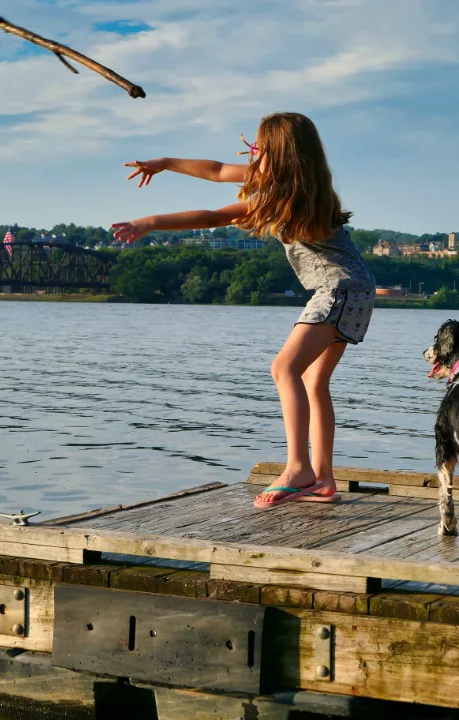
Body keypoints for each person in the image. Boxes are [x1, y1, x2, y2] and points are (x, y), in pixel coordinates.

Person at [112, 112, 375, 510]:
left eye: (259, 149)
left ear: (281, 155)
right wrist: (165, 163)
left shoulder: (291, 197)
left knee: (283, 369)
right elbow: (216, 170)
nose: (253, 157)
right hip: (355, 288)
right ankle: (323, 480)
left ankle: (299, 469)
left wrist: (150, 222)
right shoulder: (301, 186)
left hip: (337, 289)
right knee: (313, 382)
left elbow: (213, 216)